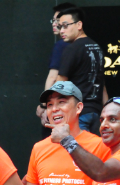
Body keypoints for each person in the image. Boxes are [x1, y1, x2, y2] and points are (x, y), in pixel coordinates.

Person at [56, 6, 107, 135]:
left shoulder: (72, 49)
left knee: (76, 147)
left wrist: (51, 107)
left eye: (65, 26)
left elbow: (60, 83)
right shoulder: (97, 47)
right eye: (60, 27)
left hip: (79, 113)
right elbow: (102, 84)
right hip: (97, 113)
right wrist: (106, 111)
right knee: (93, 147)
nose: (62, 31)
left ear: (79, 25)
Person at [36, 2, 76, 138]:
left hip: (63, 107)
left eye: (59, 21)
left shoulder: (61, 45)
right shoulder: (85, 45)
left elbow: (53, 77)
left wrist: (44, 106)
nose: (55, 24)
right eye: (53, 20)